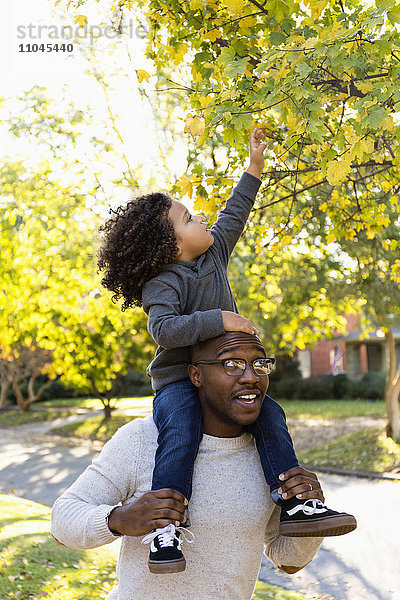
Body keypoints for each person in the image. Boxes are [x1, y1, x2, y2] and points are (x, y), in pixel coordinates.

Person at [97, 129, 356, 573]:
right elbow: (164, 329)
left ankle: (293, 506)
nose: (200, 219)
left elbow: (234, 213)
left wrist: (254, 167)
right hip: (179, 379)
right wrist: (221, 319)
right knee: (181, 433)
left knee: (272, 416)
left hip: (225, 375)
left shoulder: (214, 255)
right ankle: (168, 528)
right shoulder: (164, 283)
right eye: (188, 218)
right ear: (170, 246)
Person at [51, 331, 350, 600]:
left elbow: (288, 561)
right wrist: (119, 519)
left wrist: (311, 515)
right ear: (196, 375)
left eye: (259, 364)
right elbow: (62, 520)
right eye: (231, 364)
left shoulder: (270, 454)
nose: (250, 377)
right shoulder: (142, 439)